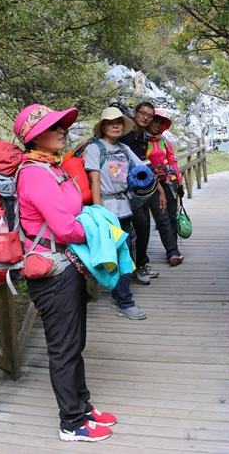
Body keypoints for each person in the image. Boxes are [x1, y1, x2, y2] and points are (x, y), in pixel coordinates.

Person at [13, 104, 115, 442]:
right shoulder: (35, 173)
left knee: (75, 343)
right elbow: (65, 227)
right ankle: (71, 423)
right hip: (52, 273)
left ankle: (82, 406)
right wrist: (101, 231)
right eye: (53, 126)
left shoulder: (52, 168)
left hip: (65, 267)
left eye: (61, 125)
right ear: (34, 137)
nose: (62, 130)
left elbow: (72, 213)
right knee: (63, 348)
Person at [84, 106, 148, 320]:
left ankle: (118, 296)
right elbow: (94, 180)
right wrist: (98, 212)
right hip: (107, 210)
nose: (116, 126)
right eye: (111, 122)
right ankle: (125, 302)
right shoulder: (94, 148)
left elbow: (141, 170)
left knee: (124, 253)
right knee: (119, 254)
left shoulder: (124, 149)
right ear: (103, 126)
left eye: (119, 122)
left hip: (124, 208)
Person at [118, 101, 165, 284]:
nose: (146, 117)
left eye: (150, 115)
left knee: (144, 225)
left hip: (137, 189)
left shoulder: (142, 137)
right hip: (122, 190)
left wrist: (157, 188)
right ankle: (134, 267)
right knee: (137, 227)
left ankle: (140, 264)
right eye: (143, 113)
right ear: (134, 113)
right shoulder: (125, 136)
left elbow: (140, 163)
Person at [145, 109, 185, 266]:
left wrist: (179, 182)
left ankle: (173, 249)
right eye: (155, 121)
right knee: (162, 218)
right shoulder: (142, 141)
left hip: (168, 181)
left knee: (172, 216)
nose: (157, 125)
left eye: (160, 123)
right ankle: (172, 252)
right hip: (152, 184)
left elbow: (172, 160)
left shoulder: (164, 141)